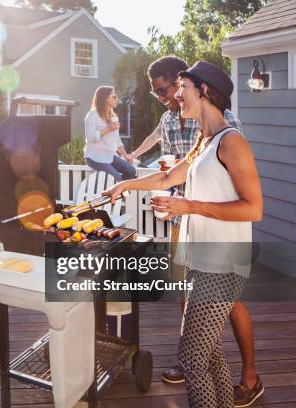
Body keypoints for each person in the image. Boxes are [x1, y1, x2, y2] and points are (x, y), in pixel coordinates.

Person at [104, 61, 263, 408]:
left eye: (183, 88)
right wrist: (126, 185)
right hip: (200, 260)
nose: (176, 96)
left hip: (221, 266)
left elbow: (254, 208)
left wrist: (189, 206)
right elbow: (165, 179)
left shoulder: (231, 142)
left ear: (203, 91)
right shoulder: (205, 143)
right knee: (211, 356)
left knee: (191, 359)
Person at [84, 86, 136, 181]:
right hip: (94, 157)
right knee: (116, 177)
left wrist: (125, 155)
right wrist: (108, 128)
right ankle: (118, 191)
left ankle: (117, 190)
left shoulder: (114, 116)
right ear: (106, 99)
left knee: (131, 171)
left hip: (109, 156)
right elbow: (91, 137)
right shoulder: (92, 115)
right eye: (114, 96)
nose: (117, 99)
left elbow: (117, 139)